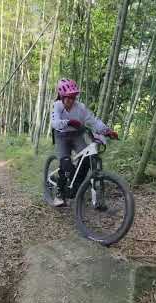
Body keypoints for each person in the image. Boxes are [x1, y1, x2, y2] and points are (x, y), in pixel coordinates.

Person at [51, 78, 118, 207]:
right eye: (68, 97)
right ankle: (59, 193)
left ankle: (75, 188)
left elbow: (93, 121)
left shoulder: (80, 107)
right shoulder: (57, 105)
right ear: (62, 96)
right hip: (61, 136)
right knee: (66, 165)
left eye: (73, 97)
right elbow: (54, 123)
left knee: (87, 159)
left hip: (77, 135)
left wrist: (107, 131)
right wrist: (68, 122)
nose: (71, 100)